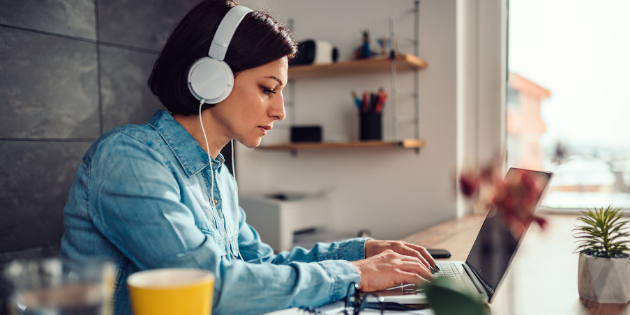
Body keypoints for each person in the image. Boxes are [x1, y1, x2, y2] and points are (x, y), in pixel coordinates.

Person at [60, 1, 437, 314]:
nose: (280, 112)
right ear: (211, 78)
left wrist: (363, 251)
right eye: (268, 89)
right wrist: (354, 274)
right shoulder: (128, 159)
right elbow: (213, 287)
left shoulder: (218, 176)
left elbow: (258, 268)